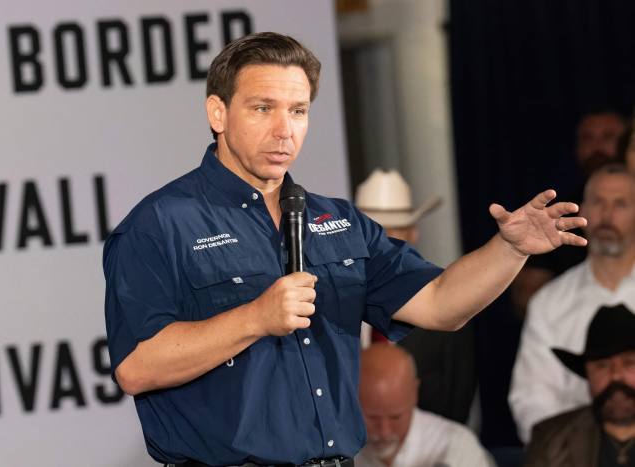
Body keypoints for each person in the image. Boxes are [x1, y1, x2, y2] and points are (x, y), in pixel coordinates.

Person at [103, 32, 586, 466]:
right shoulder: (160, 225)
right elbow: (137, 367)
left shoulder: (336, 220)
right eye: (262, 108)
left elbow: (441, 304)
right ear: (217, 113)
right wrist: (255, 318)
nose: (283, 130)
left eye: (298, 110)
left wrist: (508, 249)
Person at [510, 164, 635, 443]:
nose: (607, 214)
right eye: (598, 202)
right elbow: (532, 400)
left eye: (620, 204)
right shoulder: (549, 302)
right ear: (583, 211)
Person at [355, 169, 475, 424]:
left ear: (413, 233)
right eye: (372, 232)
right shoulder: (330, 308)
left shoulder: (446, 313)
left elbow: (455, 406)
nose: (381, 243)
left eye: (392, 231)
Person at [511, 110, 627, 319]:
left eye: (608, 137)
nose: (597, 147)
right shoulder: (557, 213)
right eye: (588, 138)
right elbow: (527, 296)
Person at [524, 304, 635, 467]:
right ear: (587, 374)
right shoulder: (552, 439)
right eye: (602, 366)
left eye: (629, 363)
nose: (615, 375)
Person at [356, 344, 495, 467]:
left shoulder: (456, 446)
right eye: (372, 418)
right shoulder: (339, 447)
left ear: (414, 393)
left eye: (395, 417)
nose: (384, 432)